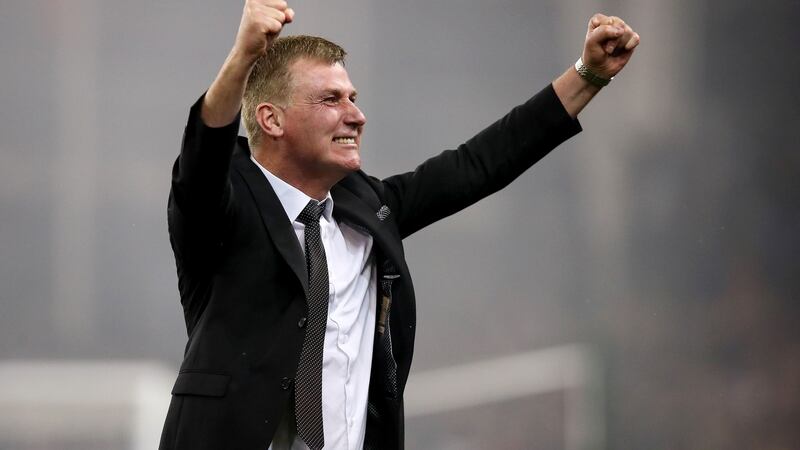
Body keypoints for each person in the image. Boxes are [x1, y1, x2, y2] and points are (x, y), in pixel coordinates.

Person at [160, 1, 639, 449]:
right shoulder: (219, 211)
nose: (357, 115)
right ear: (271, 119)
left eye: (353, 97)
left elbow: (479, 163)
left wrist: (588, 76)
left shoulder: (370, 210)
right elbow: (204, 153)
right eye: (331, 99)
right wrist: (243, 55)